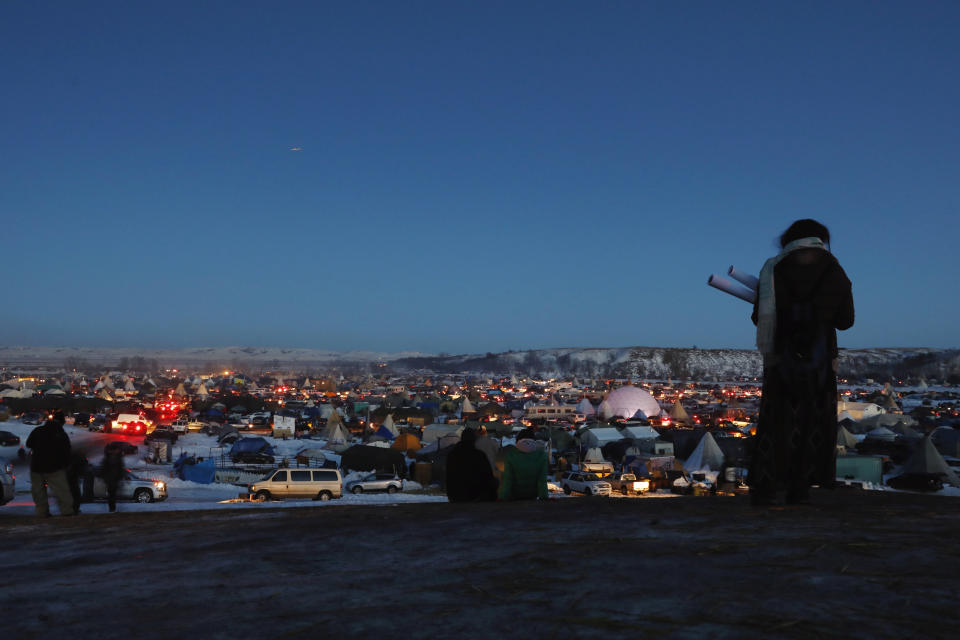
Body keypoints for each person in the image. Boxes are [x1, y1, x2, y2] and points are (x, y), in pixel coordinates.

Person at [749, 219, 854, 506]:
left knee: (777, 422)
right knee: (812, 423)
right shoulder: (834, 270)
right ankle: (801, 488)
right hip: (819, 360)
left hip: (780, 357)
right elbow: (846, 321)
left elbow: (759, 317)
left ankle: (767, 487)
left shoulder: (774, 268)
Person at [26, 411, 75, 517]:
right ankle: (67, 512)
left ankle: (41, 512)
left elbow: (28, 444)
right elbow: (66, 451)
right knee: (62, 491)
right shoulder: (61, 434)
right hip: (54, 467)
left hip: (36, 466)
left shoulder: (38, 430)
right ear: (62, 423)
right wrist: (67, 465)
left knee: (38, 492)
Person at [446, 428, 498, 502]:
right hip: (474, 496)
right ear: (474, 439)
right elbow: (488, 477)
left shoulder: (452, 455)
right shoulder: (479, 455)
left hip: (455, 495)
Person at [101, 443, 125, 513]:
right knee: (112, 494)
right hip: (111, 479)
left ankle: (112, 508)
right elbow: (104, 468)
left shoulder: (116, 458)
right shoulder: (109, 458)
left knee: (112, 494)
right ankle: (112, 509)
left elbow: (120, 468)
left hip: (114, 478)